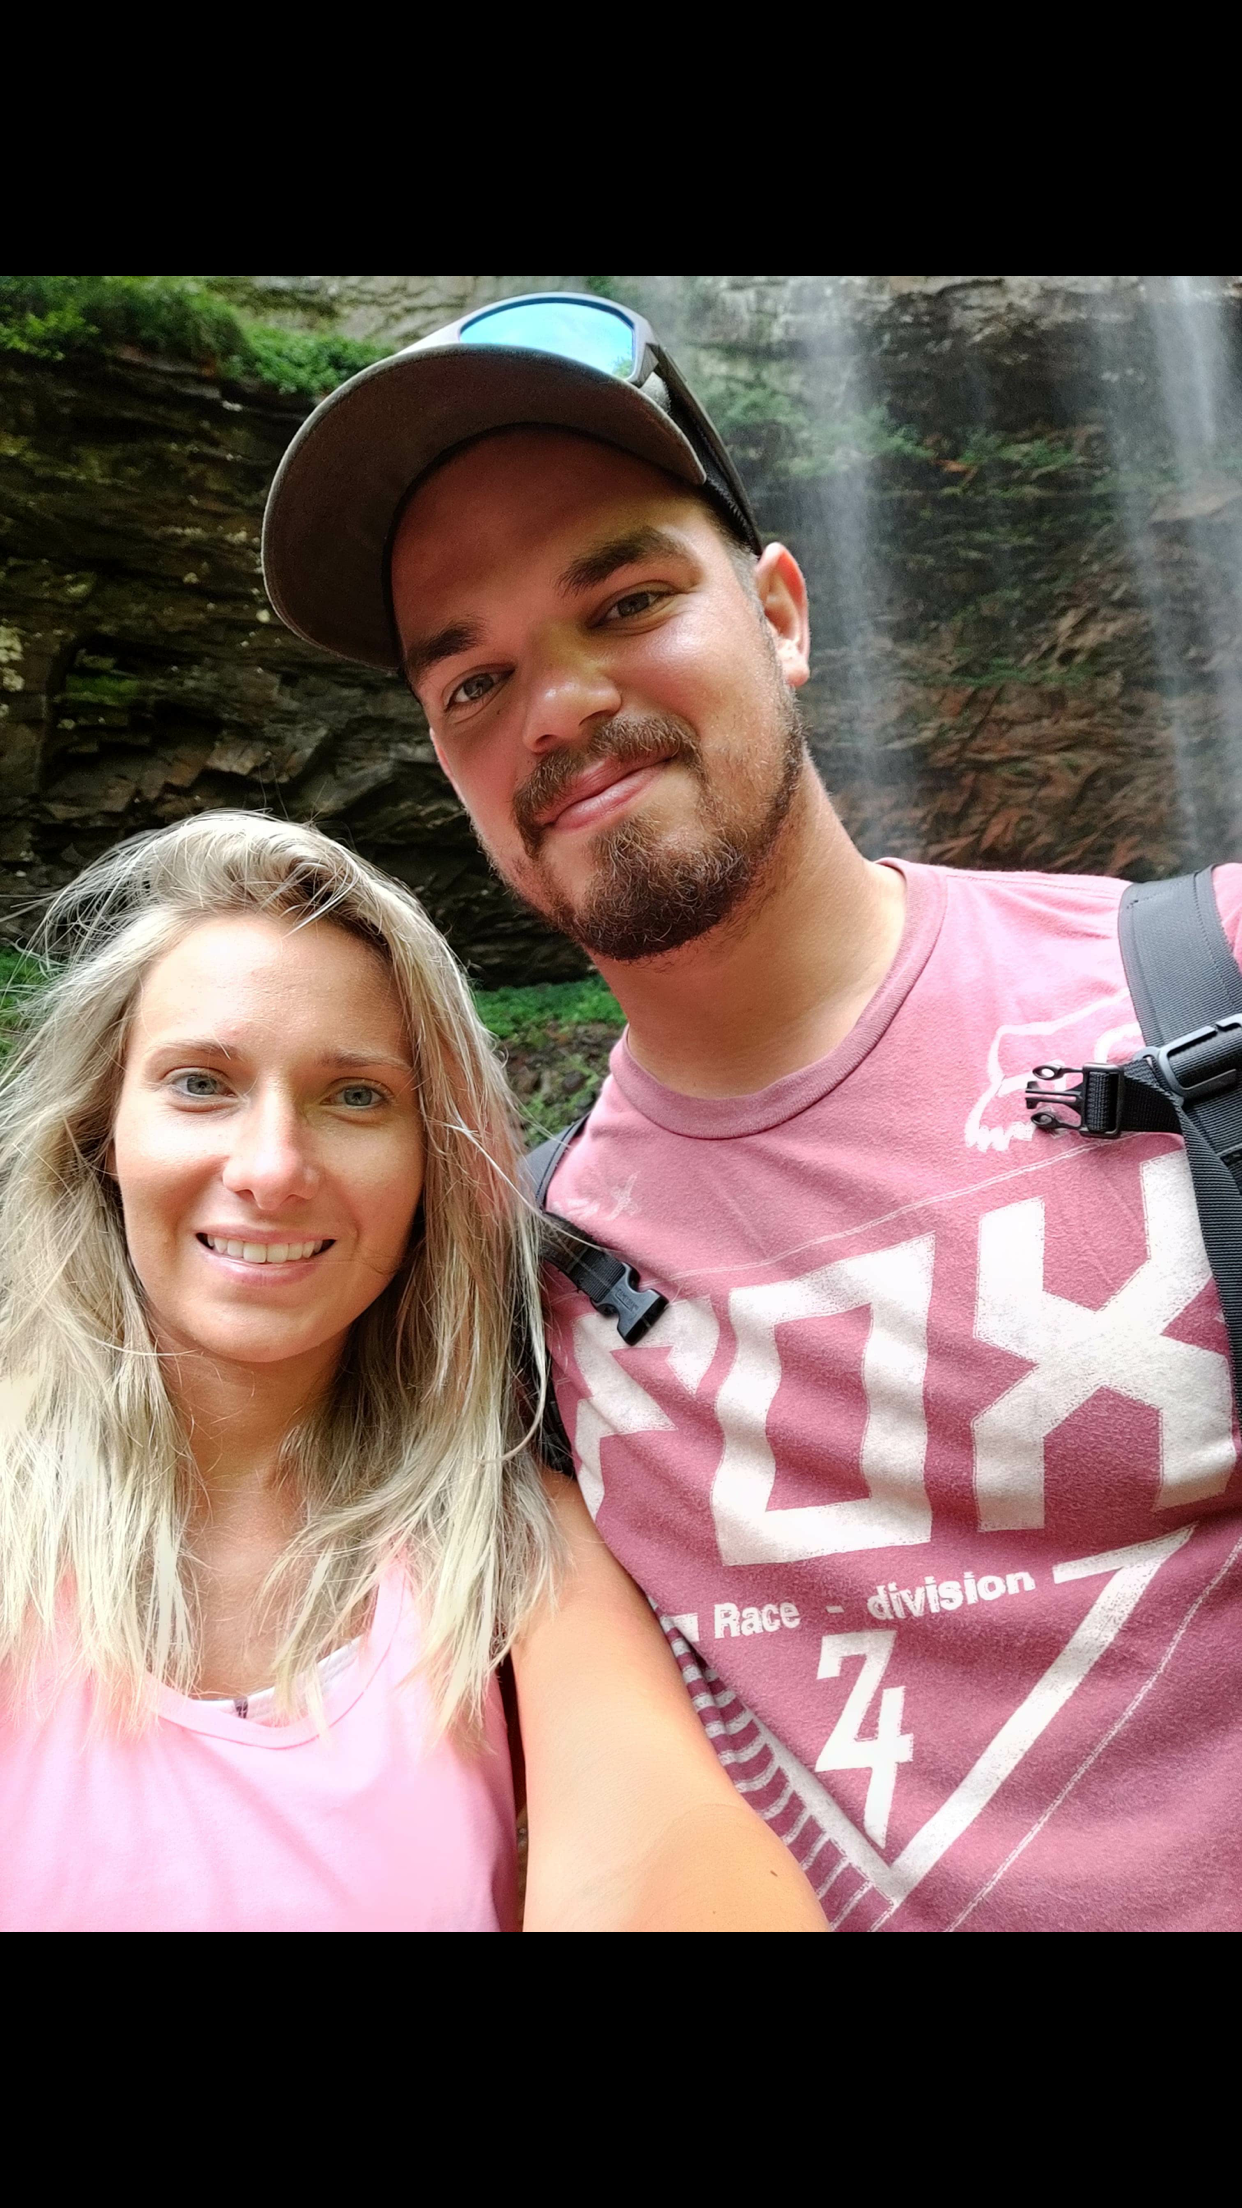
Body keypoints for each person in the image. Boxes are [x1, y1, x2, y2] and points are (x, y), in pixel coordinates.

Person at [262, 290, 1242, 1933]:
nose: (556, 706)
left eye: (625, 600)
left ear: (780, 612)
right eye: (473, 681)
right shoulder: (520, 1287)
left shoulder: (1208, 994)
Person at [0, 811, 824, 1933]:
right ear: (102, 1134)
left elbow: (664, 1849)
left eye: (356, 1096)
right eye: (200, 1083)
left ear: (431, 1164)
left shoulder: (505, 1545)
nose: (272, 1169)